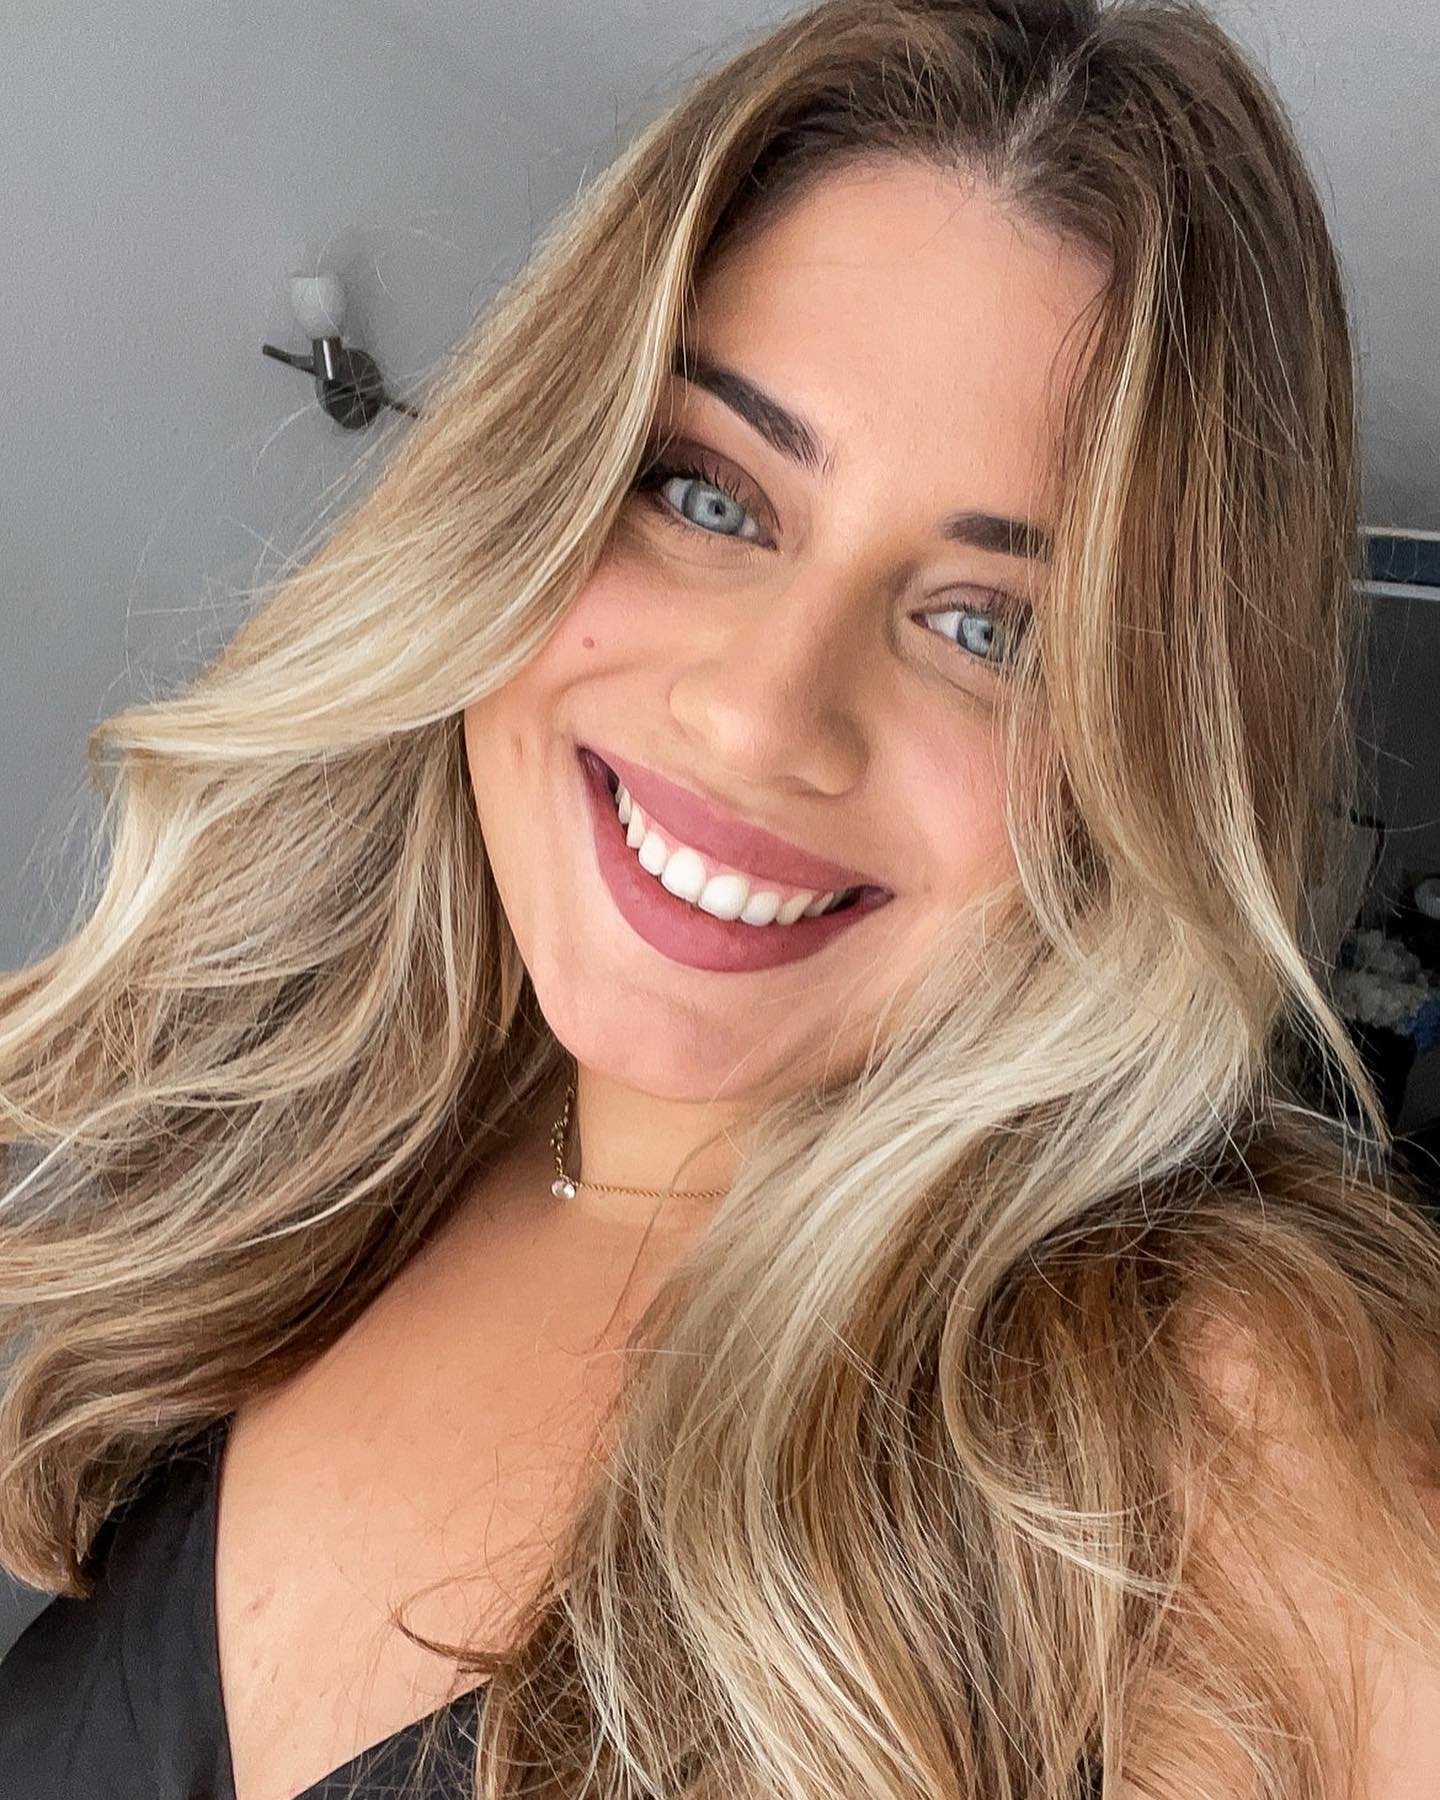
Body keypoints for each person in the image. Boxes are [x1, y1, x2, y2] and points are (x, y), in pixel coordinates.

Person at [3, 0, 1440, 1795]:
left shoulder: (1229, 1416)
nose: (762, 716)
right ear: (529, 489)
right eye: (707, 493)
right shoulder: (342, 1146)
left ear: (1153, 777)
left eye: (990, 628)